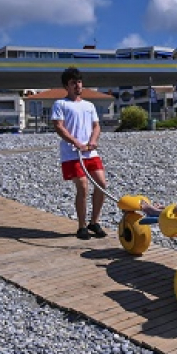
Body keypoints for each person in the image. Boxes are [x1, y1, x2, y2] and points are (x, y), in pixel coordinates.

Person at [51, 67, 107, 240]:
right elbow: (58, 126)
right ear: (66, 86)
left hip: (90, 153)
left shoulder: (89, 105)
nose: (77, 85)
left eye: (79, 82)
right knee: (82, 187)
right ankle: (82, 226)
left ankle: (94, 222)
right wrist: (75, 142)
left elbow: (96, 126)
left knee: (102, 185)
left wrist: (93, 141)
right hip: (72, 154)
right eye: (73, 83)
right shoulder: (60, 104)